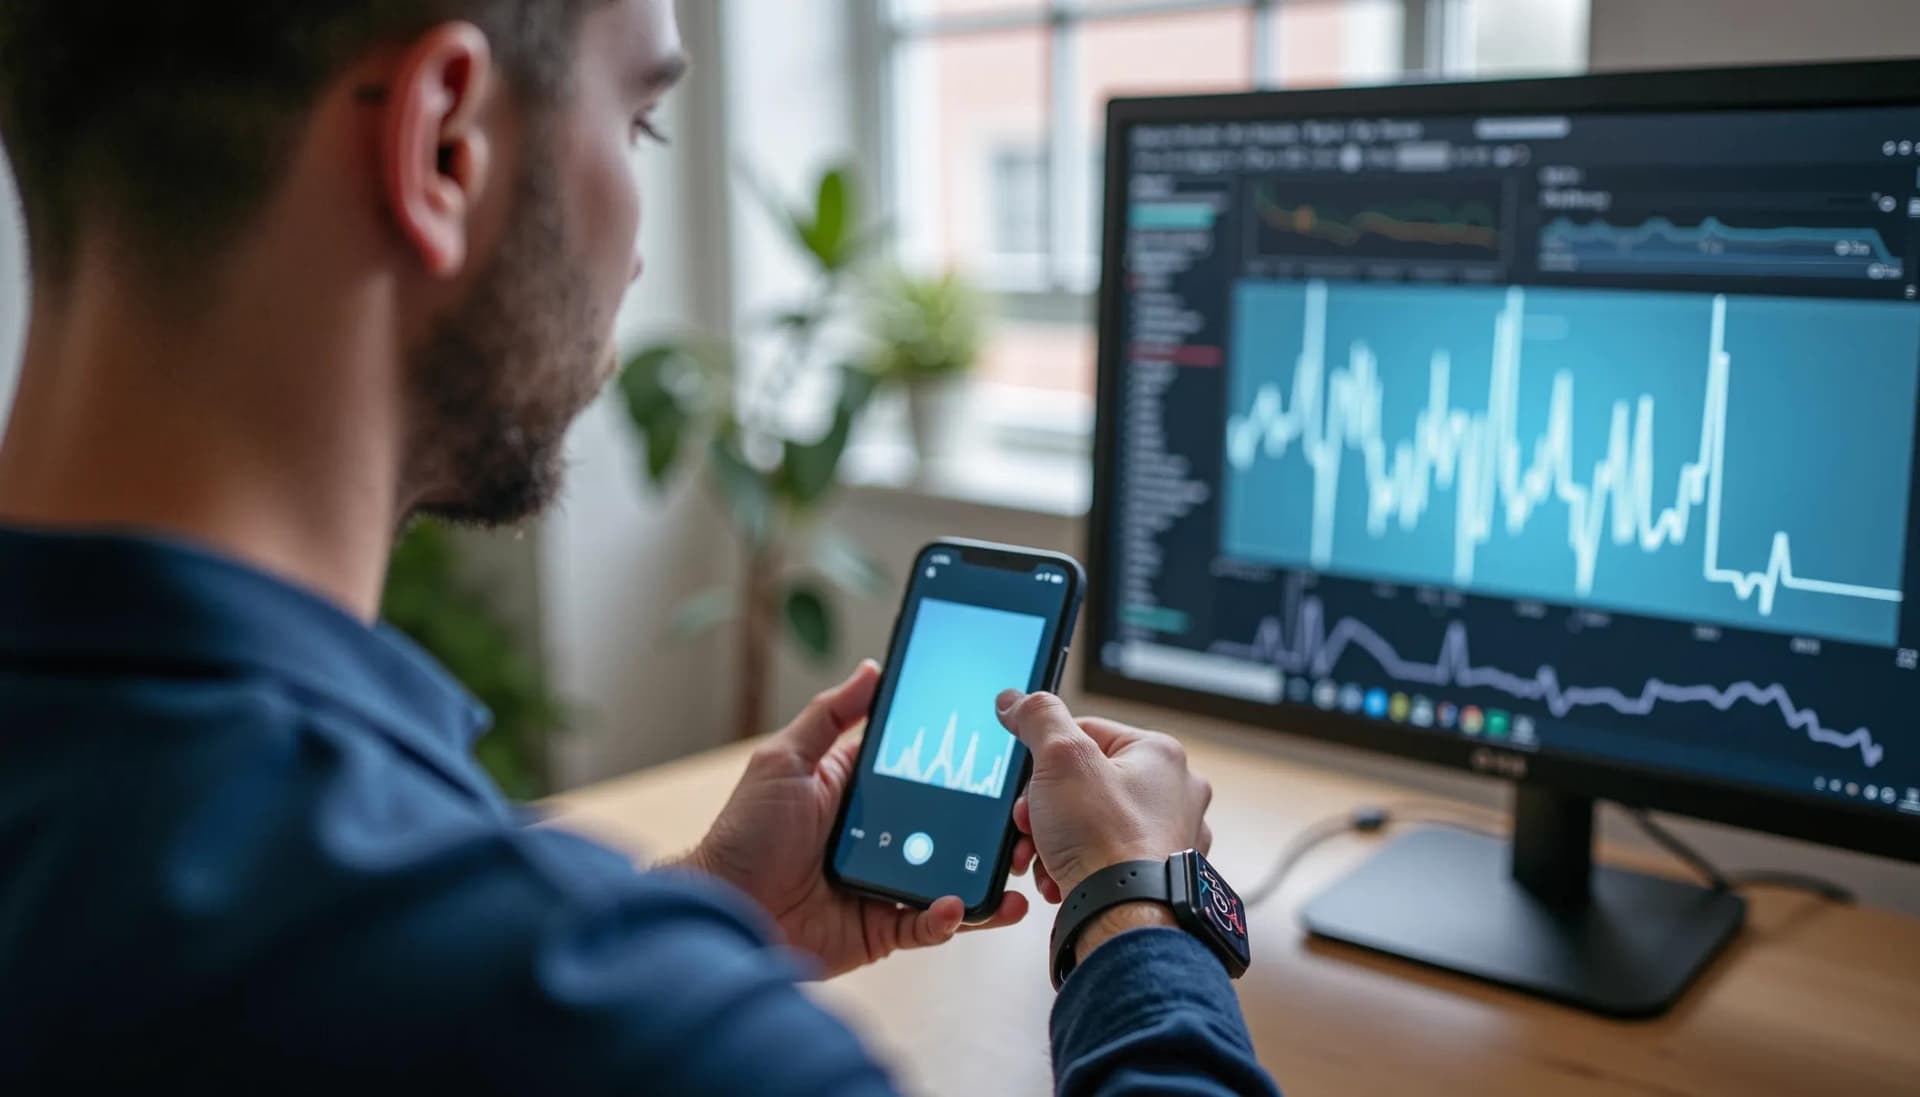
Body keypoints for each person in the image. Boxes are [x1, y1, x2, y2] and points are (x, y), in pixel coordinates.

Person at [0, 2, 1281, 1094]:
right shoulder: (604, 1028)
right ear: (446, 145)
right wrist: (1141, 905)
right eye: (638, 119)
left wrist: (702, 919)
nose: (642, 241)